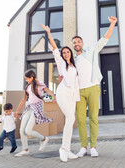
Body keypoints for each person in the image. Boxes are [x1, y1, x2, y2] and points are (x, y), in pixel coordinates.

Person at [73, 16, 117, 158]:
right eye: (74, 43)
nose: (76, 44)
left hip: (93, 87)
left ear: (82, 43)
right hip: (78, 91)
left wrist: (112, 24)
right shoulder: (72, 59)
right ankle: (83, 147)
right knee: (80, 119)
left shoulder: (91, 50)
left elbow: (105, 39)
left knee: (93, 118)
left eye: (78, 42)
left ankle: (93, 147)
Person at [41, 23, 80, 162]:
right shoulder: (61, 63)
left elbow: (75, 83)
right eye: (64, 53)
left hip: (72, 95)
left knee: (70, 119)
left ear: (71, 53)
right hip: (63, 93)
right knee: (70, 118)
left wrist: (76, 98)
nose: (65, 54)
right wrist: (49, 33)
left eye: (67, 52)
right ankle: (63, 149)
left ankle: (68, 149)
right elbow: (54, 47)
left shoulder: (73, 66)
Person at [13, 69, 56, 157]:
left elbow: (48, 91)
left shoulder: (40, 84)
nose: (26, 80)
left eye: (27, 79)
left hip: (37, 108)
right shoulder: (28, 87)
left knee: (28, 130)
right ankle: (25, 150)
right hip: (29, 107)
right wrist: (17, 110)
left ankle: (43, 139)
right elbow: (24, 99)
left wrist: (53, 96)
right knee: (22, 130)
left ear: (31, 77)